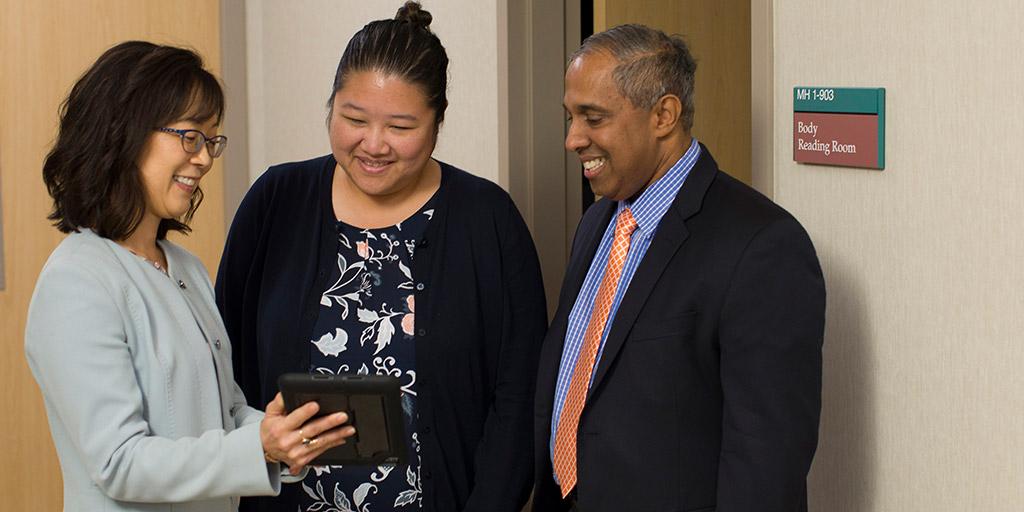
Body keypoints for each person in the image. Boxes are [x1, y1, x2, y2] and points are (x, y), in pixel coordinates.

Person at [215, 3, 547, 511]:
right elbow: (225, 366)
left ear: (438, 122)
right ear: (331, 106)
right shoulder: (276, 202)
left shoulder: (488, 219)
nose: (373, 145)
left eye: (400, 127)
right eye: (353, 119)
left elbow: (520, 396)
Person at [25, 41, 354, 512]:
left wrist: (284, 435)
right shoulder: (76, 281)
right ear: (123, 132)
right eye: (190, 136)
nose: (203, 158)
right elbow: (119, 461)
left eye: (210, 141)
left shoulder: (186, 269)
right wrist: (257, 447)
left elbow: (225, 412)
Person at [532, 25, 826, 512]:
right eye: (571, 116)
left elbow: (766, 466)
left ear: (663, 115)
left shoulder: (763, 247)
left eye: (593, 118)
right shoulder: (598, 222)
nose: (572, 139)